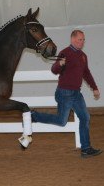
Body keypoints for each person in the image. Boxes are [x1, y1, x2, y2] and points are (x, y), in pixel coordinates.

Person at [31, 29, 102, 158]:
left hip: (76, 93)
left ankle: (86, 149)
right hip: (64, 93)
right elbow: (54, 69)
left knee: (85, 118)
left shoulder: (83, 56)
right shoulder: (65, 53)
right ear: (73, 39)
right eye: (80, 39)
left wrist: (94, 88)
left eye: (83, 39)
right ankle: (35, 116)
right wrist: (60, 64)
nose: (82, 42)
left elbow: (86, 73)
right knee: (61, 121)